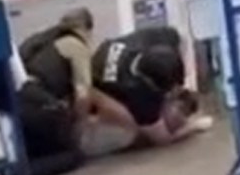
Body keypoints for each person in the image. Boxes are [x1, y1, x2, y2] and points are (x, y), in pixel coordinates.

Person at [80, 26, 207, 155]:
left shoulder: (150, 39)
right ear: (150, 84)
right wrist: (194, 126)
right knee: (130, 133)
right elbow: (163, 139)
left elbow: (181, 38)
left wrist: (189, 79)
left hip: (98, 62)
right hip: (88, 96)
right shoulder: (139, 97)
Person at [17, 9, 98, 121]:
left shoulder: (45, 40)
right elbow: (83, 94)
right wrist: (81, 123)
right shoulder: (76, 46)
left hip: (21, 99)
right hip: (42, 103)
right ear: (87, 28)